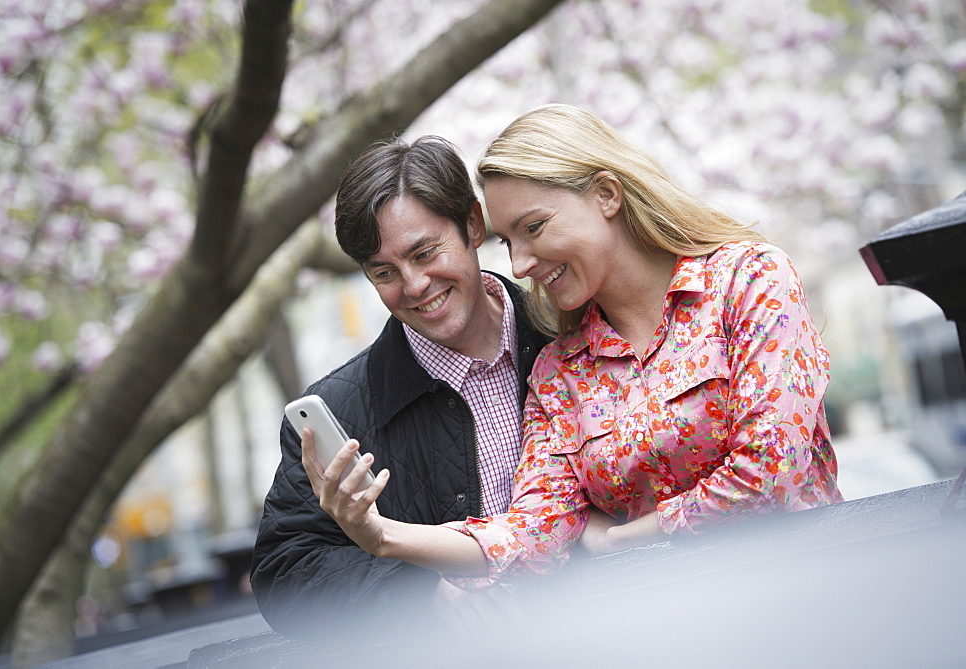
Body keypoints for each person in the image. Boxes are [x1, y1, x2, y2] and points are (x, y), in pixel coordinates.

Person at [303, 104, 844, 587]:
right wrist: (380, 536)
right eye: (507, 241)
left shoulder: (748, 281)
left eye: (533, 227)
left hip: (801, 593)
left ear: (606, 194)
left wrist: (622, 538)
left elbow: (773, 473)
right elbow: (533, 536)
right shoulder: (559, 369)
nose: (518, 264)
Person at [250, 136, 551, 634]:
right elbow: (284, 573)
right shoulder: (340, 410)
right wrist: (418, 590)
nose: (413, 286)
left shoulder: (572, 339)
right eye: (384, 272)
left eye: (425, 252)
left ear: (473, 225)